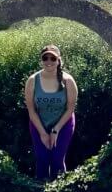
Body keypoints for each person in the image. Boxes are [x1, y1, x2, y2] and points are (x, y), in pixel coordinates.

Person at [24, 44, 78, 180]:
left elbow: (70, 109)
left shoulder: (68, 81)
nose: (49, 62)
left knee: (57, 159)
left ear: (59, 60)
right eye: (45, 58)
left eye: (52, 58)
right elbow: (31, 110)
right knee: (42, 159)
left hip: (63, 123)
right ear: (41, 60)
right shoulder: (32, 81)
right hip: (38, 123)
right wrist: (43, 133)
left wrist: (55, 130)